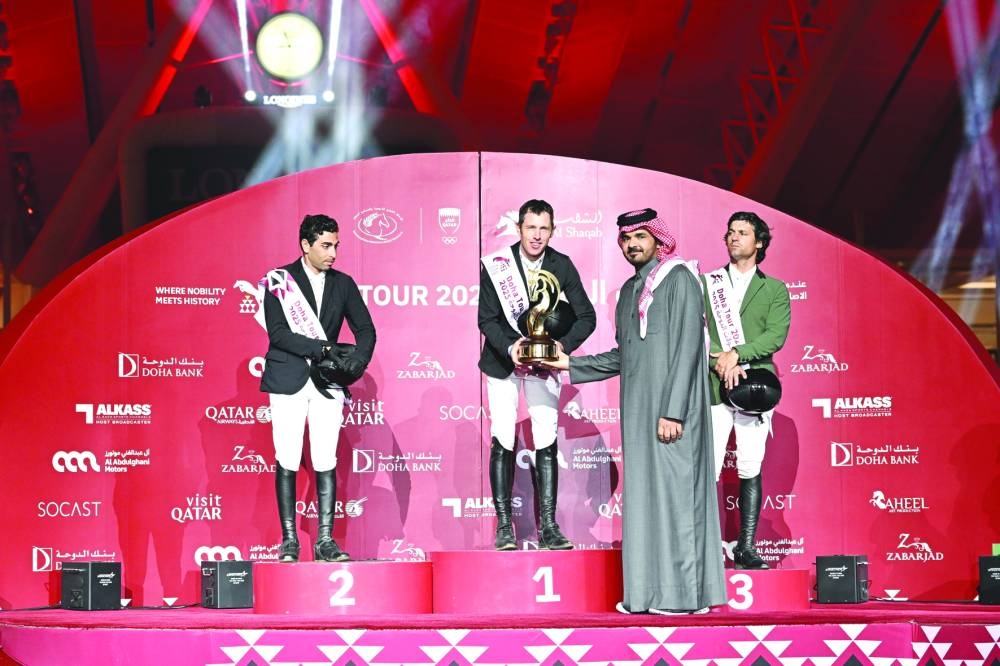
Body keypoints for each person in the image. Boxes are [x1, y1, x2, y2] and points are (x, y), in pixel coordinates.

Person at [545, 208, 726, 614]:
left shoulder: (680, 279)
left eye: (640, 237)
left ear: (658, 239)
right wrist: (568, 364)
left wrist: (674, 412)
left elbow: (688, 349)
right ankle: (644, 595)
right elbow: (624, 356)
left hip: (672, 414)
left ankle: (682, 598)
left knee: (677, 499)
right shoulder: (629, 291)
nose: (633, 245)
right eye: (626, 239)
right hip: (638, 413)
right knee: (646, 501)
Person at [478, 199, 596, 550]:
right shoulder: (497, 265)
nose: (537, 236)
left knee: (545, 438)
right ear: (519, 228)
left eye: (544, 229)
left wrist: (561, 348)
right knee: (503, 437)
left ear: (553, 230)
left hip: (544, 366)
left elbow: (587, 317)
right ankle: (504, 526)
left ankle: (548, 525)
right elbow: (486, 319)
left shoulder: (562, 265)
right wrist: (512, 347)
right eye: (531, 228)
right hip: (503, 363)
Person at [259, 214, 376, 563]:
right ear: (305, 245)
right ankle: (290, 540)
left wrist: (358, 363)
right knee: (288, 456)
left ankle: (325, 540)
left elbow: (366, 330)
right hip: (287, 379)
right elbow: (278, 334)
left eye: (336, 245)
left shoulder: (344, 284)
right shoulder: (280, 281)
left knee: (326, 457)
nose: (333, 253)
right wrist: (324, 348)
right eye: (326, 245)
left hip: (327, 382)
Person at [704, 211, 790, 570]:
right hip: (713, 384)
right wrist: (719, 361)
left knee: (750, 466)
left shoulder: (774, 289)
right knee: (706, 466)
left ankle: (747, 546)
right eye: (730, 232)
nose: (734, 238)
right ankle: (706, 547)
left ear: (760, 242)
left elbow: (776, 335)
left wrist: (737, 354)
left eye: (742, 233)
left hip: (755, 387)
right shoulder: (707, 283)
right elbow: (698, 332)